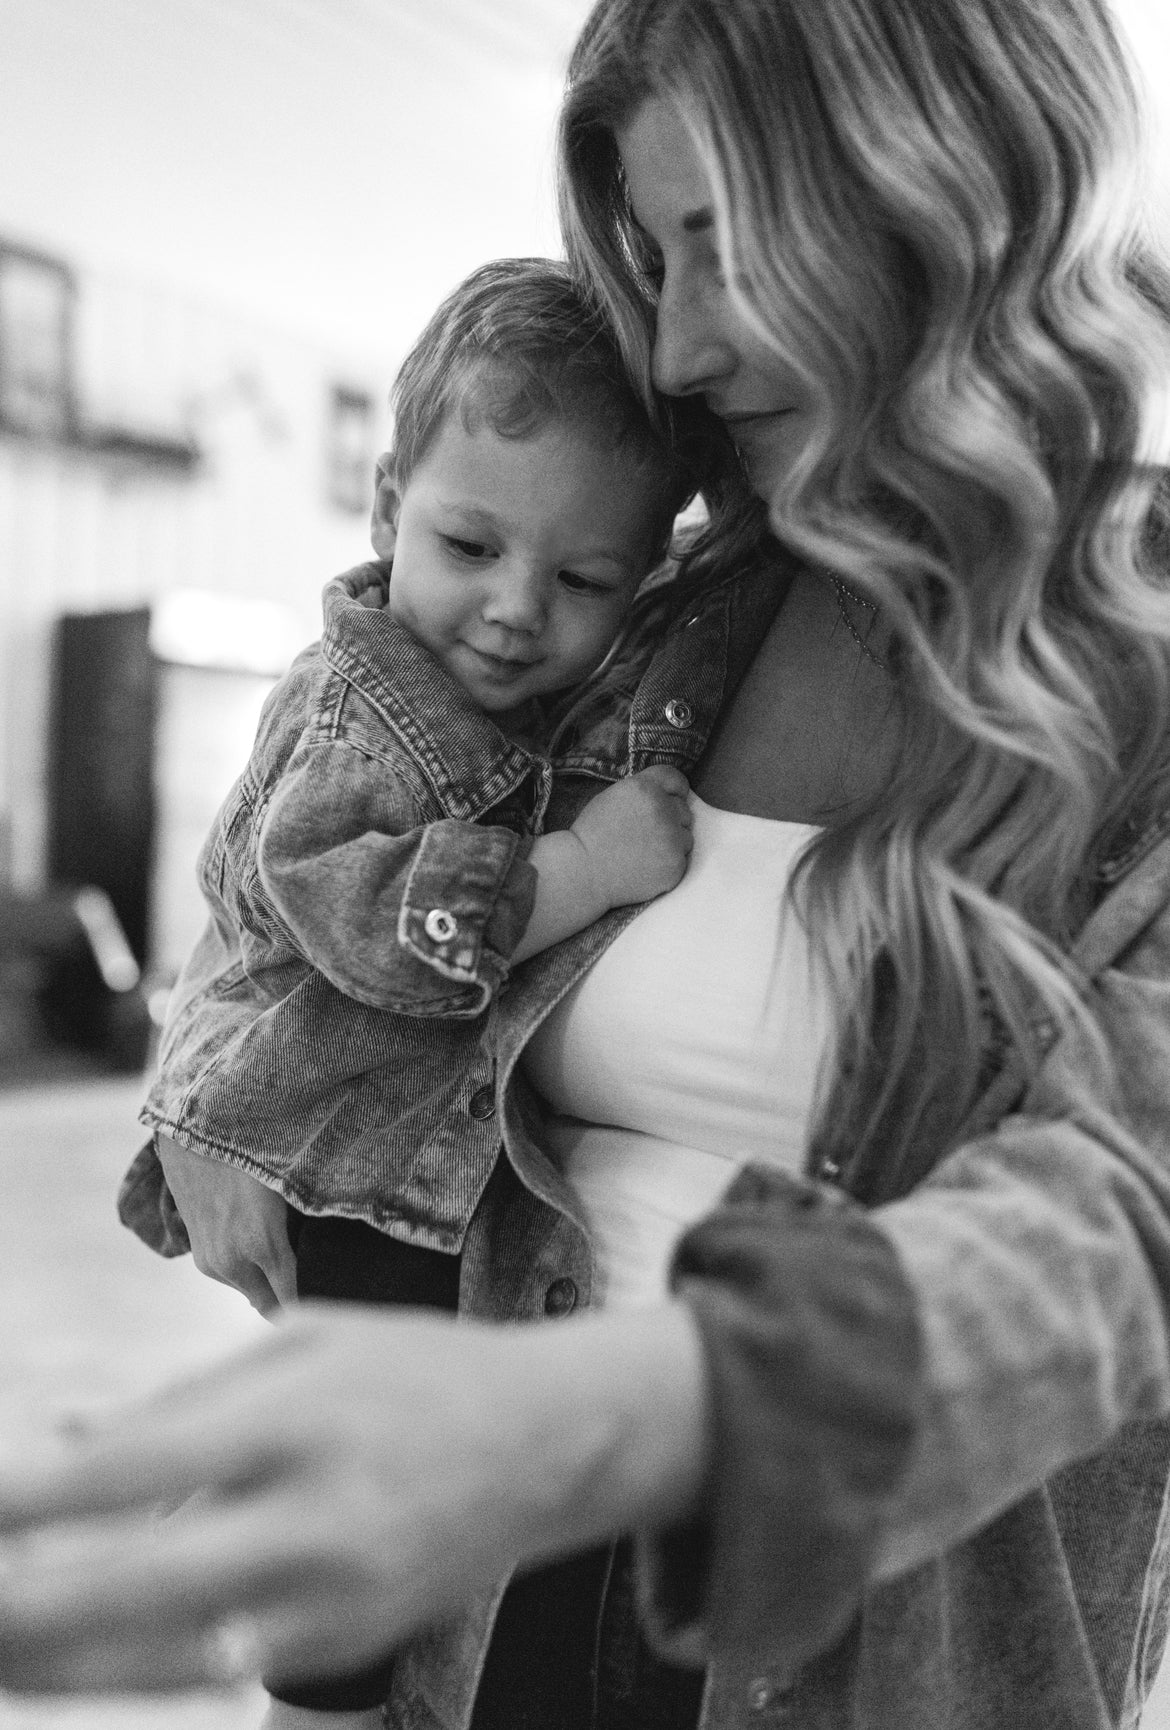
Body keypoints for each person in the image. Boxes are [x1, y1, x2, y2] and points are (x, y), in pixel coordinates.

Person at [1, 1, 1170, 1727]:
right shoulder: (667, 611)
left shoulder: (1137, 680)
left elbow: (1121, 1222)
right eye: (650, 254)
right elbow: (330, 843)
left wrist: (626, 1411)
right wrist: (206, 1074)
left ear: (949, 189)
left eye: (725, 242)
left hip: (873, 1657)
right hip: (471, 1618)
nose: (681, 348)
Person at [118, 255, 700, 1728]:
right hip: (338, 1158)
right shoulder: (353, 708)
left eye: (583, 581)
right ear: (385, 510)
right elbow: (379, 927)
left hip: (381, 1156)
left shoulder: (494, 680)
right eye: (469, 544)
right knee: (368, 1479)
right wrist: (576, 867)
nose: (515, 612)